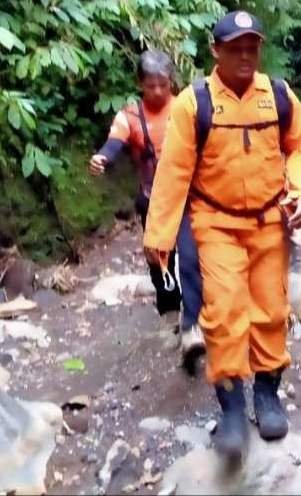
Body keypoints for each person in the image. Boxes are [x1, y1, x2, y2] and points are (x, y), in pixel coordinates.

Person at [143, 10, 301, 461]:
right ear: (216, 51)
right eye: (235, 48)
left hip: (268, 221)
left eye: (252, 47)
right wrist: (159, 236)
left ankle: (268, 393)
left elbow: (300, 147)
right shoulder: (193, 102)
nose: (245, 56)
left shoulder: (277, 95)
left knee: (271, 308)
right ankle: (233, 406)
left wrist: (300, 193)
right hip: (214, 222)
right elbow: (175, 171)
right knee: (223, 311)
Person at [89, 50, 205, 365]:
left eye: (163, 85)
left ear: (171, 83)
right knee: (158, 258)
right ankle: (169, 311)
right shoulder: (130, 115)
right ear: (140, 83)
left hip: (188, 196)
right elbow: (115, 141)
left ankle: (192, 324)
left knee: (191, 255)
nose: (157, 91)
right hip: (152, 198)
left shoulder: (188, 106)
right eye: (150, 85)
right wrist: (103, 157)